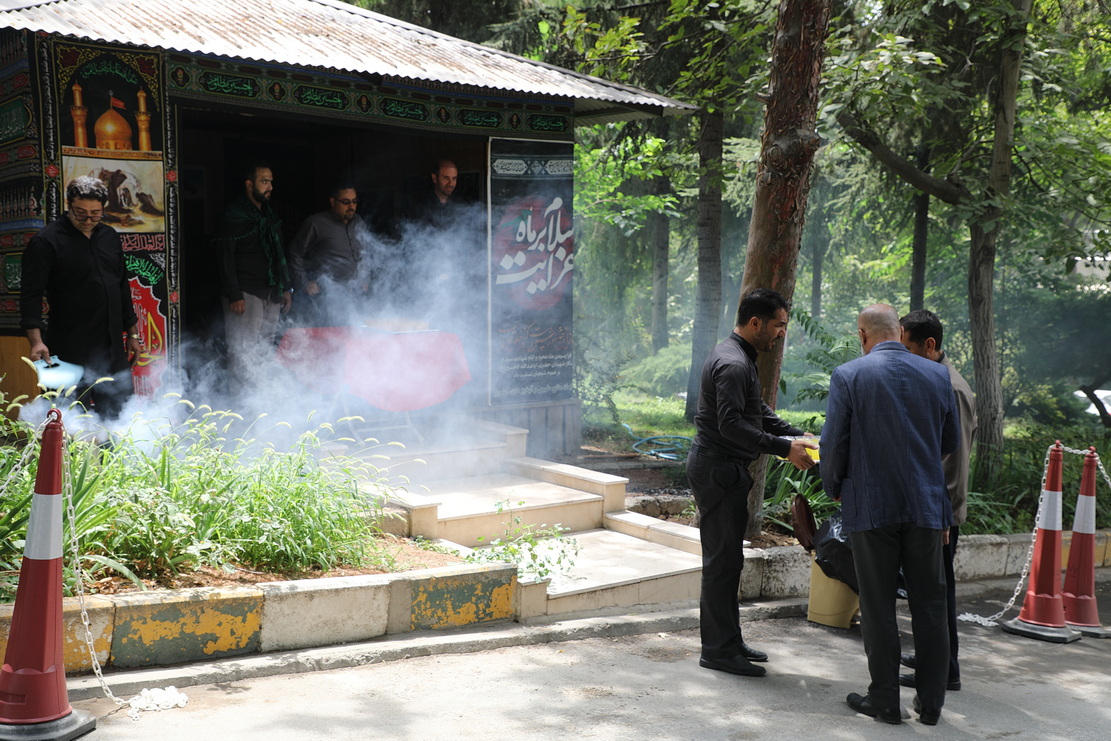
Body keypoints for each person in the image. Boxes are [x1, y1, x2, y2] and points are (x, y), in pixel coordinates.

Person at [820, 304, 959, 726]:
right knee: (930, 605)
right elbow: (948, 442)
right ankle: (931, 705)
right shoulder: (937, 375)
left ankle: (884, 700)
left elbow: (833, 445)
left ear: (862, 336)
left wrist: (835, 486)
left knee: (878, 604)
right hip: (925, 506)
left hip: (871, 505)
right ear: (899, 331)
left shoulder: (849, 375)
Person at [687, 288, 817, 678]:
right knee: (720, 563)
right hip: (718, 469)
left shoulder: (739, 356)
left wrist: (796, 436)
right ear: (756, 322)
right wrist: (784, 448)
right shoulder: (733, 363)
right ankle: (717, 651)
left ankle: (729, 640)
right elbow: (731, 425)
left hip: (724, 469)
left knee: (730, 561)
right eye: (778, 325)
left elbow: (754, 410)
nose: (781, 333)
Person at [898, 309, 977, 693]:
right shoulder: (934, 378)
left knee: (936, 594)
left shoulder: (952, 388)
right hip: (930, 508)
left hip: (939, 512)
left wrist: (941, 516)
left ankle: (945, 671)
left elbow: (954, 465)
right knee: (928, 590)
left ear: (930, 345)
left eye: (908, 350)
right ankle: (935, 658)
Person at [20, 175, 143, 419]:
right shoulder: (45, 242)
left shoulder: (109, 236)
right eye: (80, 213)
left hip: (111, 350)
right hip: (67, 351)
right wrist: (36, 341)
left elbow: (121, 287)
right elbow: (30, 296)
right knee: (67, 421)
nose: (88, 220)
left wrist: (132, 334)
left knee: (120, 419)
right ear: (69, 204)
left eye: (95, 214)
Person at [215, 162, 292, 395]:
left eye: (271, 182)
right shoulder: (234, 215)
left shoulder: (269, 214)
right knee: (243, 352)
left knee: (265, 350)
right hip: (246, 293)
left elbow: (279, 254)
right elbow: (225, 257)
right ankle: (241, 406)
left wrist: (286, 288)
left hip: (271, 292)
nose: (270, 187)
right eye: (264, 181)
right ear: (250, 184)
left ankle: (260, 401)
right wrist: (234, 294)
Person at [286, 183, 370, 326]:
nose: (351, 206)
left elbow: (365, 252)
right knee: (331, 336)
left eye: (354, 201)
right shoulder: (316, 223)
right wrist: (304, 283)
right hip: (328, 298)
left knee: (356, 335)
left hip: (356, 296)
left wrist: (364, 277)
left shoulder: (358, 222)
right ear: (332, 202)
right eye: (346, 202)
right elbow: (294, 253)